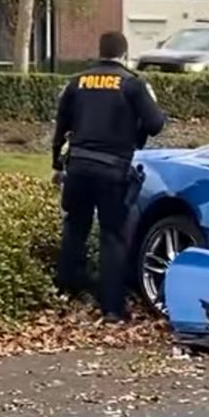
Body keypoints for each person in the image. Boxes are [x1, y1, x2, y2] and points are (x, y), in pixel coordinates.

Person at [52, 31, 167, 323]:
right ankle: (112, 308)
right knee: (112, 236)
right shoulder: (132, 84)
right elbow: (155, 124)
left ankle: (66, 291)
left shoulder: (77, 82)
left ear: (99, 52)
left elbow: (61, 125)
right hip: (112, 171)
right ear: (124, 55)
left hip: (77, 167)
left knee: (74, 228)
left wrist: (56, 165)